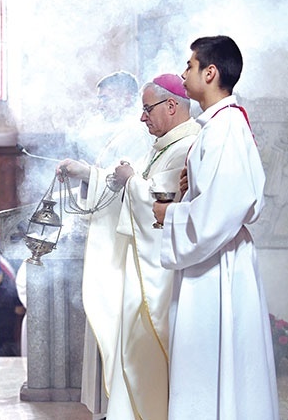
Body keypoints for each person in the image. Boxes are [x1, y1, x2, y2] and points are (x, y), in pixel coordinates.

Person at [58, 73, 199, 419]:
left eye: (147, 108)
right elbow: (131, 186)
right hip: (146, 266)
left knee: (148, 354)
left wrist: (130, 180)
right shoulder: (164, 144)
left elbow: (160, 203)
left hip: (161, 271)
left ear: (171, 105)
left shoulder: (186, 144)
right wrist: (90, 175)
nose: (142, 116)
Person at [152, 35, 279, 419]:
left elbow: (223, 211)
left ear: (210, 73)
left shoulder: (225, 128)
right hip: (212, 259)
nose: (183, 72)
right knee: (208, 369)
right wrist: (188, 193)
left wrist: (167, 214)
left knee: (212, 367)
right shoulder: (218, 126)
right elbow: (217, 195)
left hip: (217, 265)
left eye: (189, 66)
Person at [0, 215, 23, 356]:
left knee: (8, 337)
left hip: (8, 300)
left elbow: (17, 275)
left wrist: (18, 301)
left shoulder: (11, 249)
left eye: (0, 227)